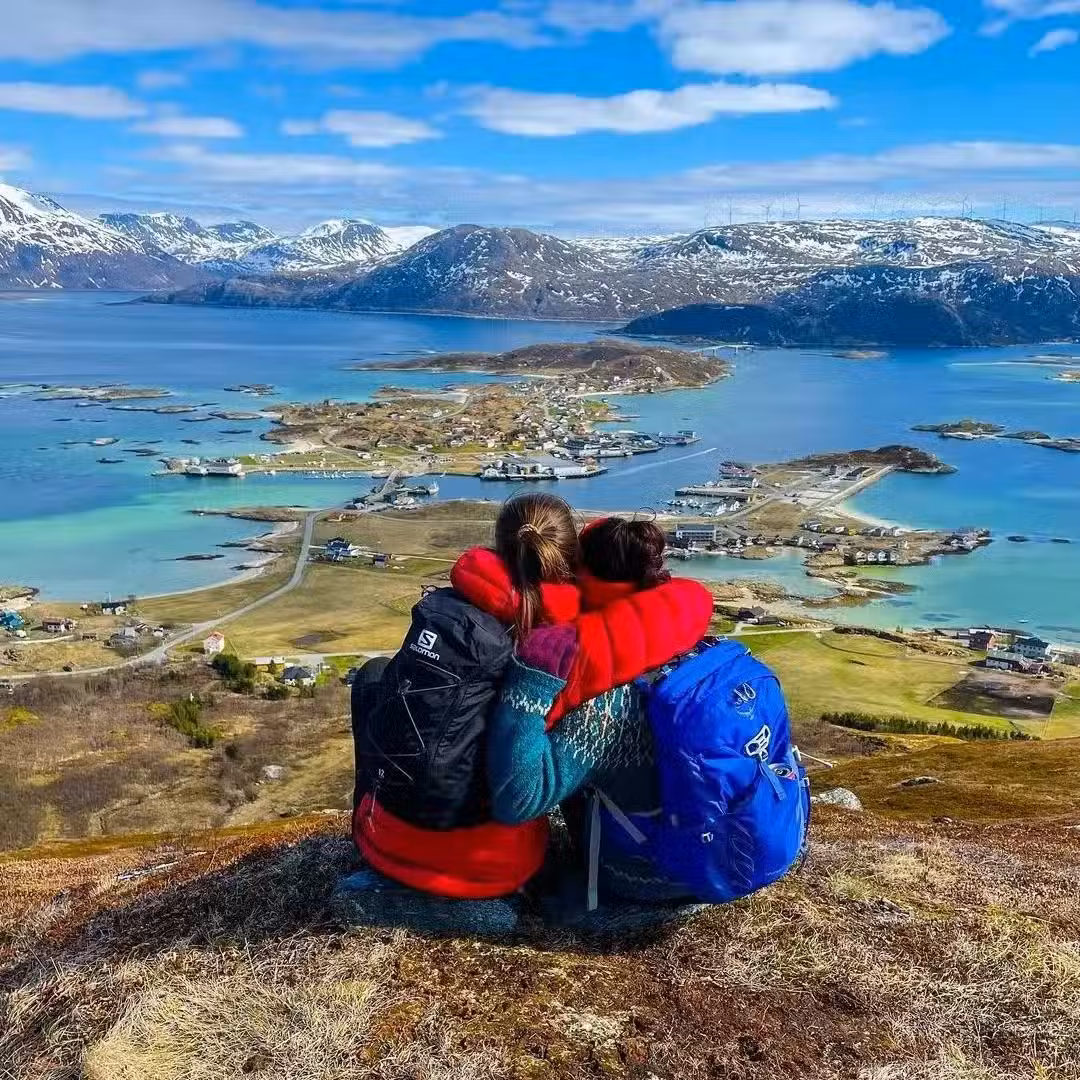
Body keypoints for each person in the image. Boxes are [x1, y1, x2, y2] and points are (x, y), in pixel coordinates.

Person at [346, 500, 713, 920]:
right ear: (569, 560)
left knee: (374, 676)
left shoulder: (453, 606)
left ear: (499, 547)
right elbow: (676, 611)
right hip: (489, 866)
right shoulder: (560, 643)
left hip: (379, 837)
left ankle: (377, 822)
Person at [486, 516, 716, 910]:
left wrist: (530, 682)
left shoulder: (603, 705)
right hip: (719, 849)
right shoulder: (692, 642)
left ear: (585, 580)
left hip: (651, 875)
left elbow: (516, 800)